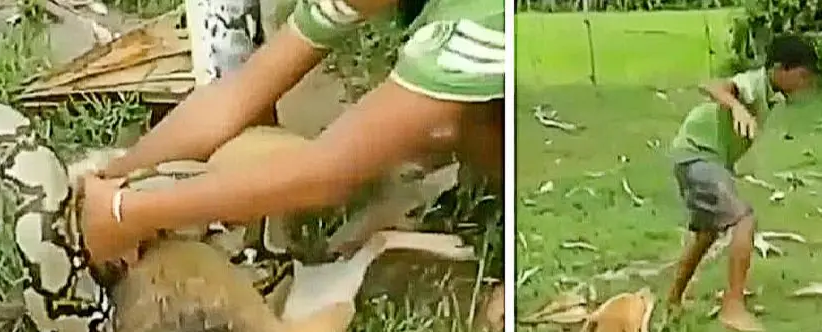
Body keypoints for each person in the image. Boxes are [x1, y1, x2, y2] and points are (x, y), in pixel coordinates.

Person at [78, 0, 505, 266]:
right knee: (439, 118)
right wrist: (112, 177)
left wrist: (127, 212)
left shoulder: (479, 24)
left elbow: (326, 173)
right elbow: (235, 97)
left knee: (453, 120)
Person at [665, 34, 818, 332]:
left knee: (707, 233)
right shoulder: (752, 83)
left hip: (700, 158)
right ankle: (732, 308)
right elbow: (711, 85)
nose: (804, 84)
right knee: (743, 219)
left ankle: (672, 299)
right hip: (698, 156)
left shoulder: (771, 93)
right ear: (779, 69)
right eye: (801, 76)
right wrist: (736, 107)